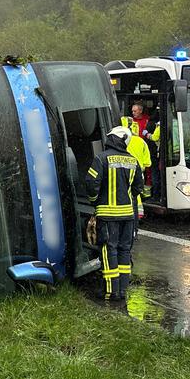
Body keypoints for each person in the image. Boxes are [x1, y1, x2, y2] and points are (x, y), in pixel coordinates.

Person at [85, 126, 144, 301]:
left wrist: (94, 200)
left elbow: (91, 183)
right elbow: (138, 188)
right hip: (127, 215)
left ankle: (111, 292)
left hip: (107, 215)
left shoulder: (101, 158)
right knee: (124, 250)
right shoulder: (133, 161)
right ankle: (123, 290)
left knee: (108, 250)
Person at [125, 130, 151, 219]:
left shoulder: (123, 141)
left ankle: (133, 212)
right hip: (139, 169)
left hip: (125, 169)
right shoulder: (142, 141)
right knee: (136, 191)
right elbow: (148, 163)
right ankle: (139, 213)